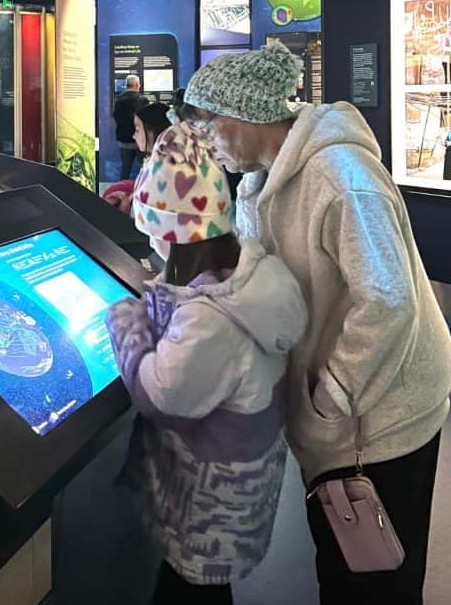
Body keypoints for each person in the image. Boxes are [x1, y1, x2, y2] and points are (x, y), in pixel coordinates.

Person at [182, 41, 451, 604]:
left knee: (374, 575)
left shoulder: (339, 175)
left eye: (209, 126)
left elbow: (388, 303)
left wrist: (331, 399)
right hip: (337, 421)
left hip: (382, 418)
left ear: (249, 114)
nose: (205, 142)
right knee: (342, 564)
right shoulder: (259, 183)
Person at [106, 122, 307, 604]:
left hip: (206, 513)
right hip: (242, 496)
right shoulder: (252, 275)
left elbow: (164, 396)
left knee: (192, 593)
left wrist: (125, 323)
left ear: (173, 236)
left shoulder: (210, 320)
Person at [104, 102, 171, 214]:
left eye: (137, 130)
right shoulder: (157, 163)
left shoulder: (161, 172)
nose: (134, 135)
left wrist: (124, 208)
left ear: (152, 132)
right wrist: (128, 196)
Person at [114, 74, 148, 179]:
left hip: (124, 140)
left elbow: (116, 116)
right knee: (145, 168)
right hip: (139, 140)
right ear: (137, 85)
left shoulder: (118, 99)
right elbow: (146, 119)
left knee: (125, 169)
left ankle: (122, 191)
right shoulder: (142, 99)